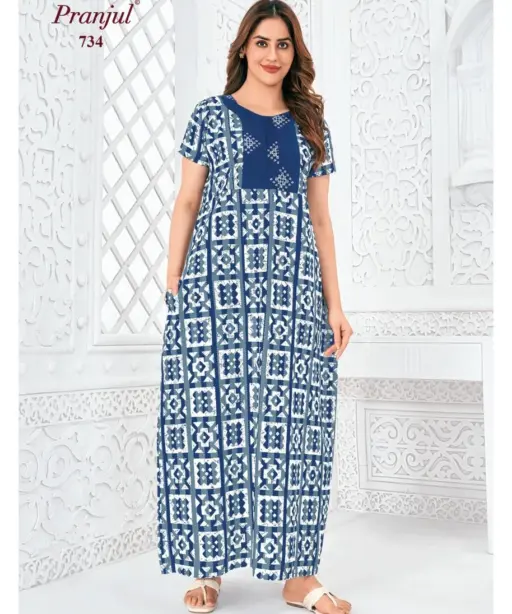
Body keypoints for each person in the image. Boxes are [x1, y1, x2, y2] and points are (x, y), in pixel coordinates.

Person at [156, 1, 353, 612]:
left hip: (292, 296)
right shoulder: (210, 116)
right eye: (262, 42)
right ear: (244, 47)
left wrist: (335, 305)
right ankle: (207, 567)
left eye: (283, 44)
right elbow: (188, 202)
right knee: (211, 421)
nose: (272, 55)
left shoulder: (310, 125)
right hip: (216, 296)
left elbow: (321, 220)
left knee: (296, 423)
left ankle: (298, 574)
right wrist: (174, 282)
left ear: (295, 53)